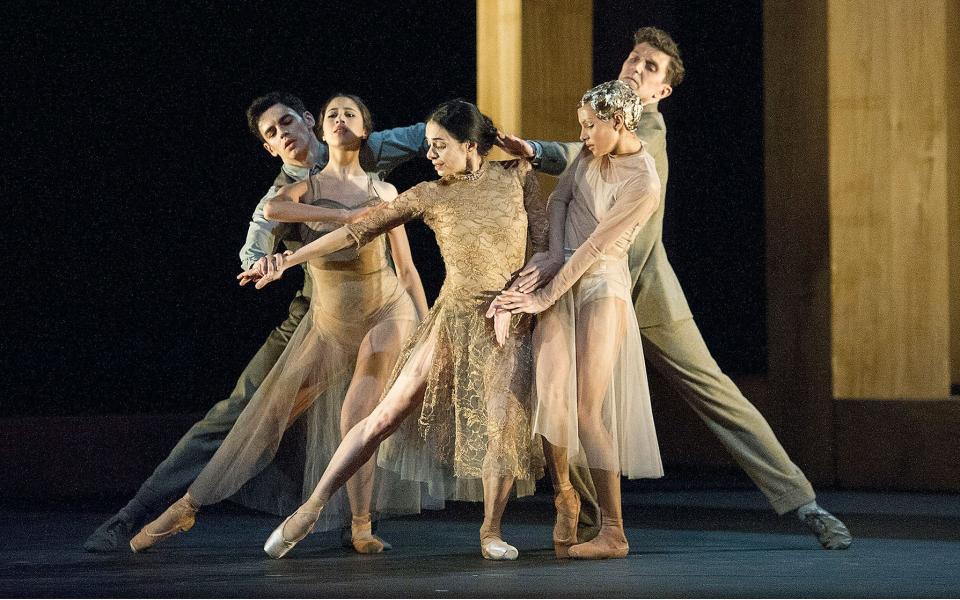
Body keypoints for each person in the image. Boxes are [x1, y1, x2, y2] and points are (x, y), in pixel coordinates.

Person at [497, 27, 852, 550]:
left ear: (662, 91)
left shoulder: (651, 130)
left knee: (714, 392)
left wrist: (542, 150)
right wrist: (533, 150)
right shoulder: (596, 130)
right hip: (588, 291)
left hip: (645, 290)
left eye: (652, 68)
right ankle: (595, 517)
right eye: (634, 58)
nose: (637, 68)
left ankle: (804, 502)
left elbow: (583, 153)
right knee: (572, 401)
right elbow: (577, 156)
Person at [84, 92, 429, 553]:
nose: (284, 134)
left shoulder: (362, 147)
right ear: (269, 147)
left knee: (364, 412)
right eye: (272, 133)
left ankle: (359, 522)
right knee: (247, 412)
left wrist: (512, 146)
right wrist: (264, 261)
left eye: (288, 122)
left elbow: (436, 133)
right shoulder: (286, 190)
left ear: (310, 121)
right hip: (316, 311)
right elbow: (261, 233)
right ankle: (142, 512)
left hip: (379, 304)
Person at [241, 100, 547, 561]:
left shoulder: (518, 176)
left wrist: (523, 291)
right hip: (452, 317)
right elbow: (356, 232)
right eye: (427, 146)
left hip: (508, 319)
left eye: (440, 146)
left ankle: (490, 531)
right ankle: (310, 508)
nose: (430, 155)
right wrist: (289, 259)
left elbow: (544, 245)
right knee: (386, 413)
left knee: (501, 424)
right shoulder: (429, 193)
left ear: (469, 146)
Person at [493, 80, 665, 559]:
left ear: (618, 122)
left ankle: (614, 531)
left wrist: (546, 294)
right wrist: (550, 254)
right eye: (581, 127)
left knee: (588, 410)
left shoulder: (643, 181)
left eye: (590, 127)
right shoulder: (592, 157)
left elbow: (595, 249)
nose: (583, 136)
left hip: (600, 284)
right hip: (565, 267)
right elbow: (559, 199)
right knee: (551, 395)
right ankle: (564, 495)